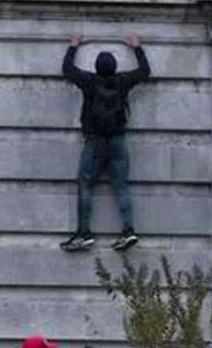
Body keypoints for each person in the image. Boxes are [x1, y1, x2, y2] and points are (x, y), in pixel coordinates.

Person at [60, 32, 151, 252]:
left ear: (97, 67)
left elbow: (67, 70)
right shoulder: (123, 81)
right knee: (121, 186)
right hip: (118, 140)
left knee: (85, 183)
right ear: (115, 66)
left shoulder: (89, 81)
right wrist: (137, 47)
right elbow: (144, 72)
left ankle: (84, 233)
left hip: (95, 141)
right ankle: (128, 231)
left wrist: (73, 46)